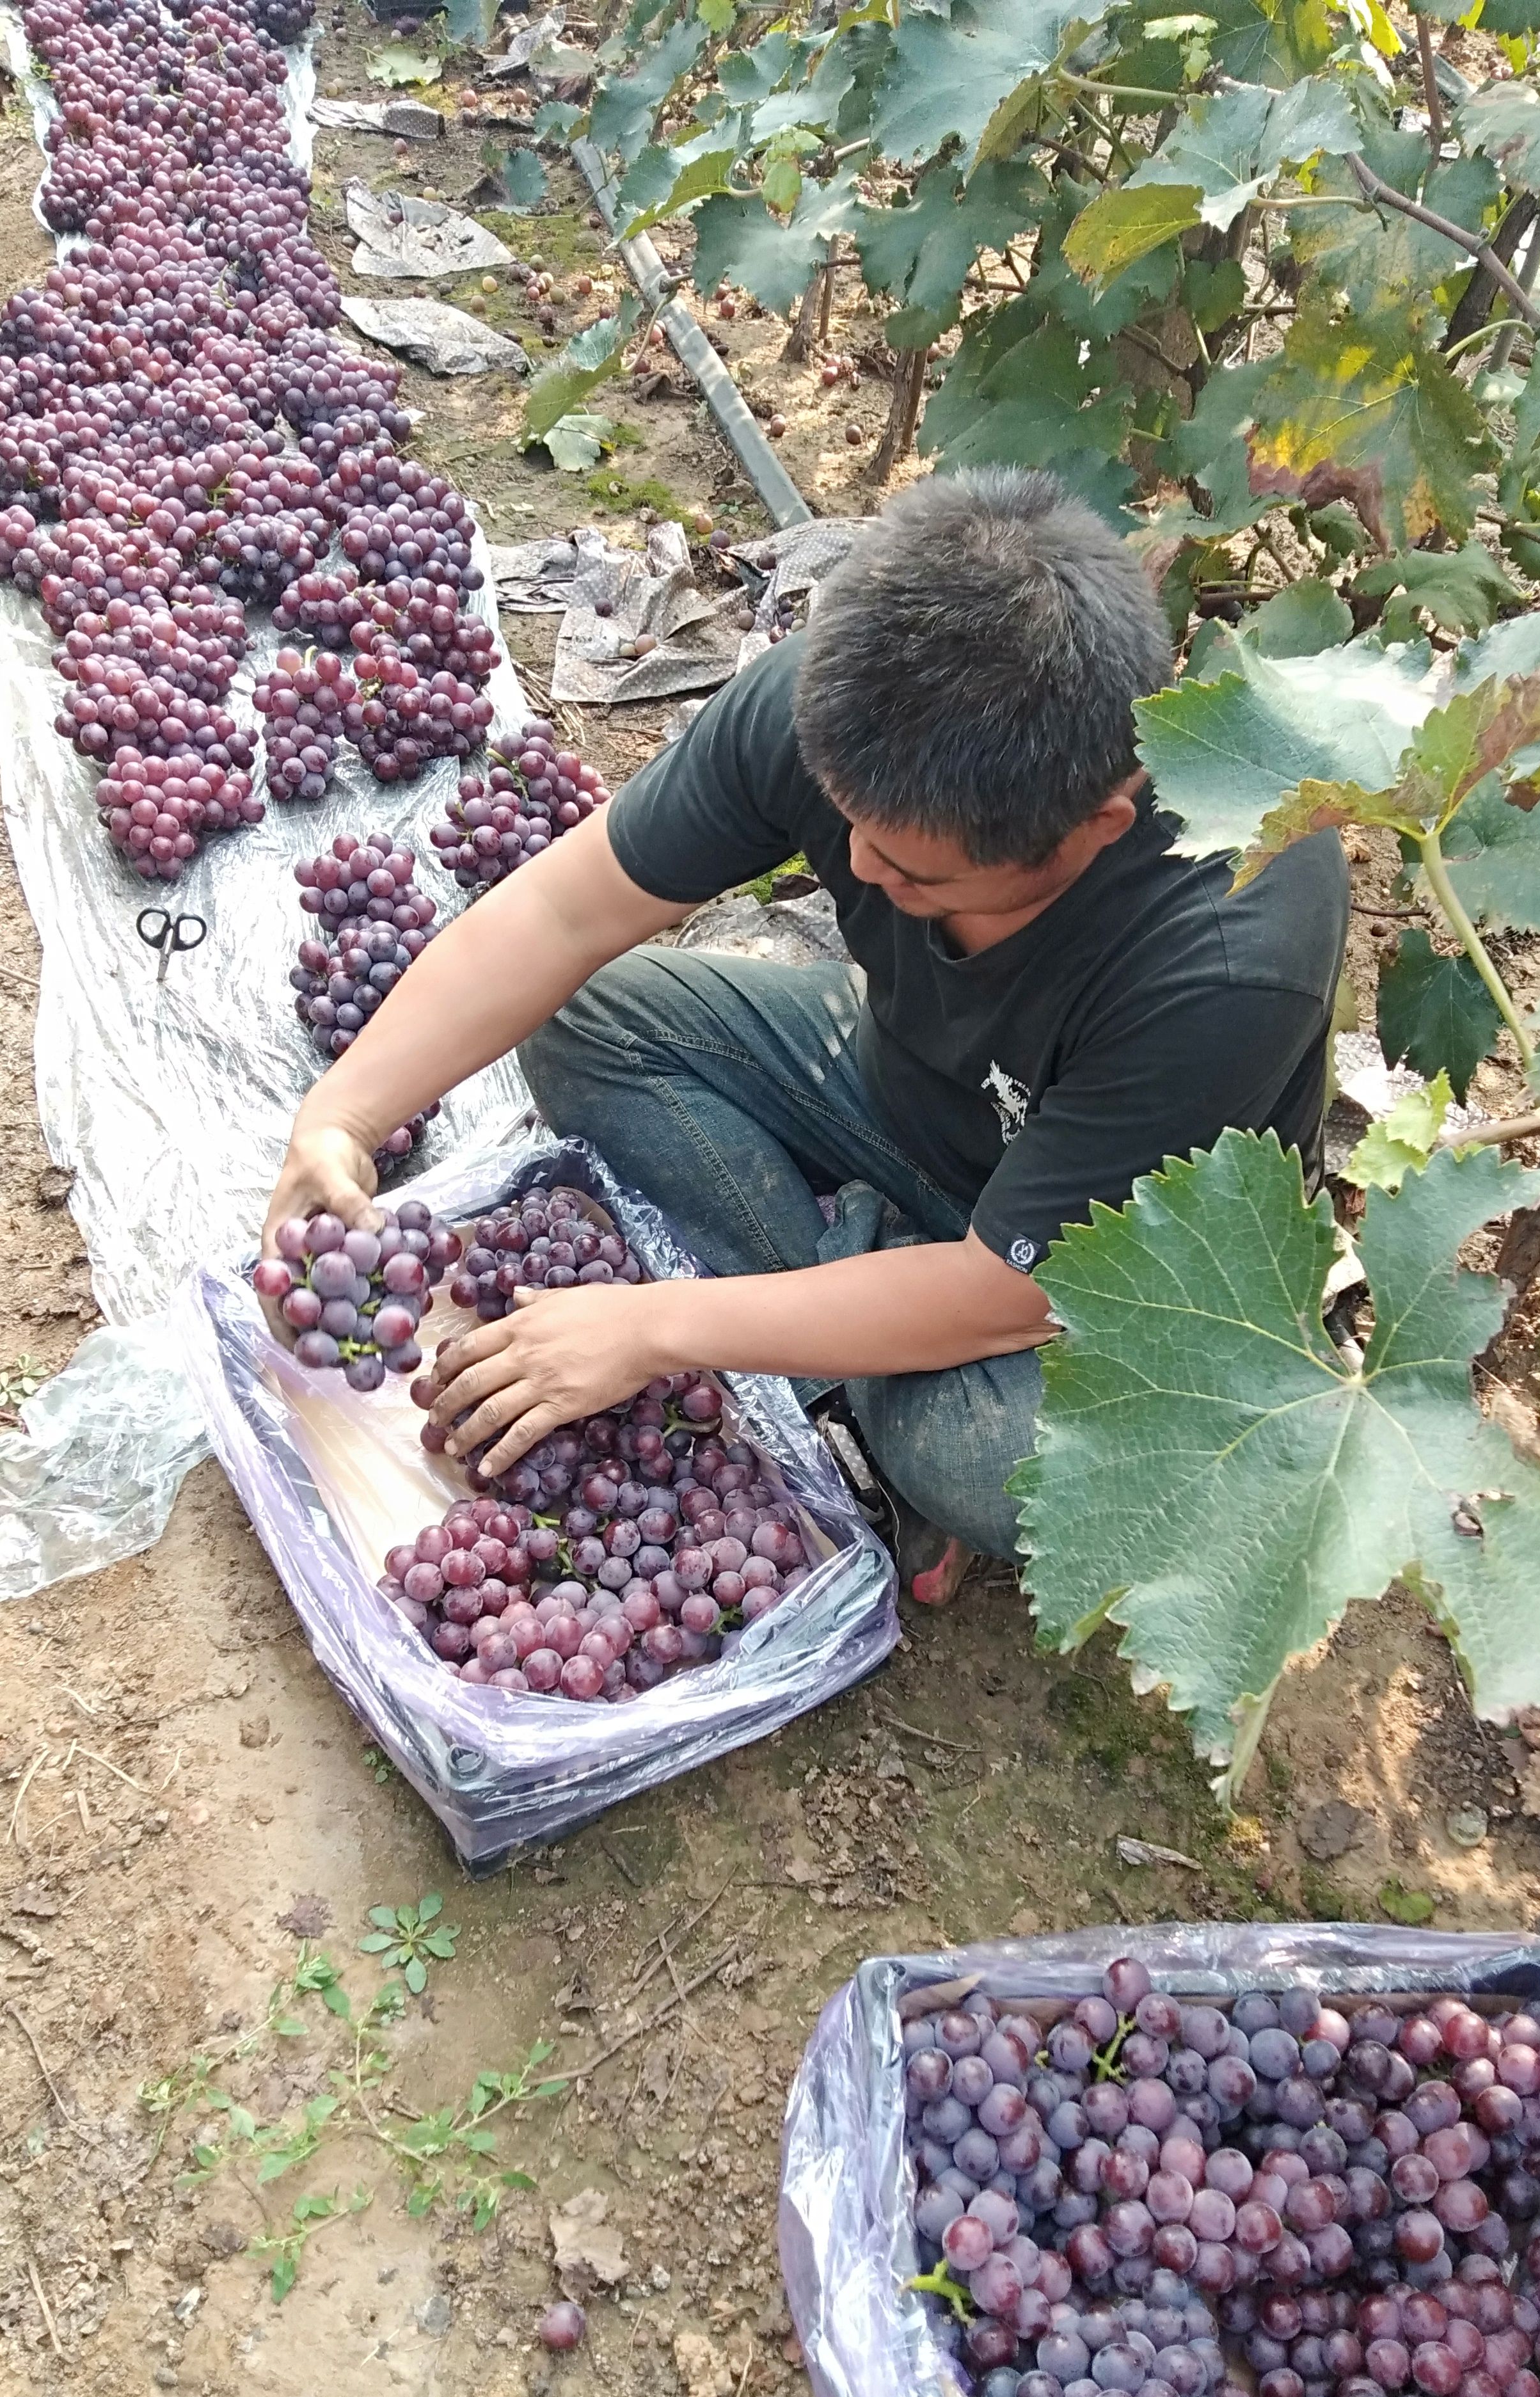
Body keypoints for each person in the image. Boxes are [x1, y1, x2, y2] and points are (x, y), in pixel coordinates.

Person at [264, 465, 1351, 1599]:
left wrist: (655, 1329)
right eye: (849, 832)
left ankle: (851, 1326)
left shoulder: (1230, 941)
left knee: (987, 1467)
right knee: (589, 1020)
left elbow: (1011, 1294)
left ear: (1094, 828)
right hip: (914, 1096)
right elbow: (565, 910)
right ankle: (857, 1325)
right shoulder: (844, 708)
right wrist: (345, 1111)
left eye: (917, 875)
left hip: (1107, 1273)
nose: (863, 872)